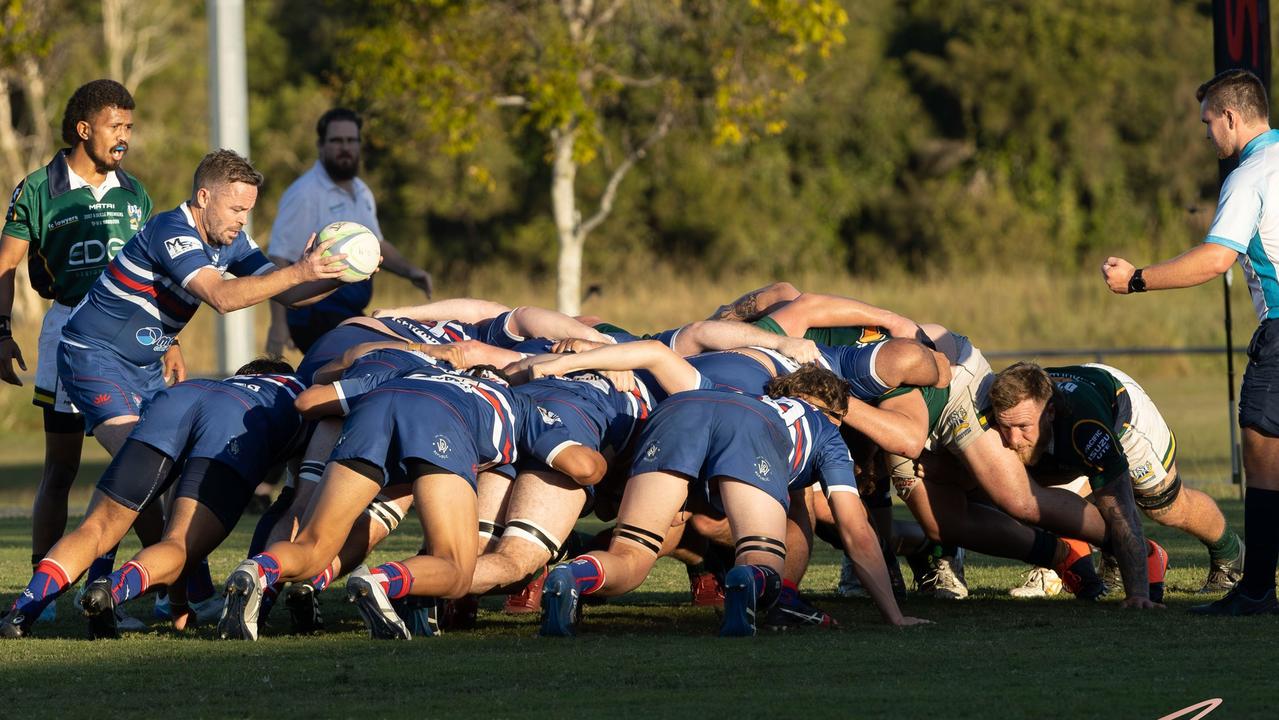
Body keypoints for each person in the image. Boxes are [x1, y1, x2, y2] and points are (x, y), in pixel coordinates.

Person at [539, 366, 930, 637]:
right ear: (837, 414)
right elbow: (855, 528)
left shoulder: (750, 395)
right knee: (761, 558)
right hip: (751, 432)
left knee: (632, 553)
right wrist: (893, 614)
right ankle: (749, 578)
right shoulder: (828, 433)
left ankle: (573, 576)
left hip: (680, 407)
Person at [1102, 68, 1279, 615]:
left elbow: (1216, 257)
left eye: (1208, 122)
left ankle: (1253, 592)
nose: (1207, 135)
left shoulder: (1249, 174)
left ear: (1230, 116)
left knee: (1264, 454)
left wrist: (1137, 279)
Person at [0, 80, 168, 620]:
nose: (124, 138)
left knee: (142, 460)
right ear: (84, 129)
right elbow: (6, 264)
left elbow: (161, 272)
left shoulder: (135, 194)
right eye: (115, 127)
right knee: (61, 468)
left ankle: (165, 587)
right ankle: (40, 591)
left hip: (136, 338)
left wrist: (173, 338)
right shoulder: (37, 189)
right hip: (69, 333)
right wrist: (1, 332)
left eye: (129, 128)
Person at [57, 148, 346, 456]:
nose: (242, 220)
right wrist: (299, 272)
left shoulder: (231, 241)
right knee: (137, 462)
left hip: (145, 367)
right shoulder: (171, 231)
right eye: (236, 209)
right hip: (95, 355)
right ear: (204, 197)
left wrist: (339, 275)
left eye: (247, 211)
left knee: (164, 467)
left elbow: (288, 294)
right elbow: (221, 296)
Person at [0, 358, 309, 639]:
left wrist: (179, 607)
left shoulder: (226, 382)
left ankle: (20, 613)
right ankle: (112, 588)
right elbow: (294, 505)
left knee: (94, 529)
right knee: (179, 544)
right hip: (235, 419)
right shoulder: (299, 395)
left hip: (180, 397)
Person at [990, 362, 1223, 598]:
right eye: (1006, 426)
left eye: (1022, 427)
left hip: (1120, 409)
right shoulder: (1001, 408)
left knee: (1165, 507)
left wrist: (1138, 596)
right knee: (1031, 495)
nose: (1013, 439)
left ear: (1049, 412)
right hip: (1073, 405)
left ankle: (1229, 552)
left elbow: (1121, 509)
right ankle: (1084, 559)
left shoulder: (1086, 427)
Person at [266, 108, 433, 355]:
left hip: (348, 312)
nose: (345, 147)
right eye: (336, 141)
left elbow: (377, 243)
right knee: (375, 357)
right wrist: (278, 324)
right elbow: (279, 257)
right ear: (321, 145)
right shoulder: (304, 194)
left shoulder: (362, 191)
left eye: (351, 140)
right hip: (315, 313)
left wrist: (411, 271)